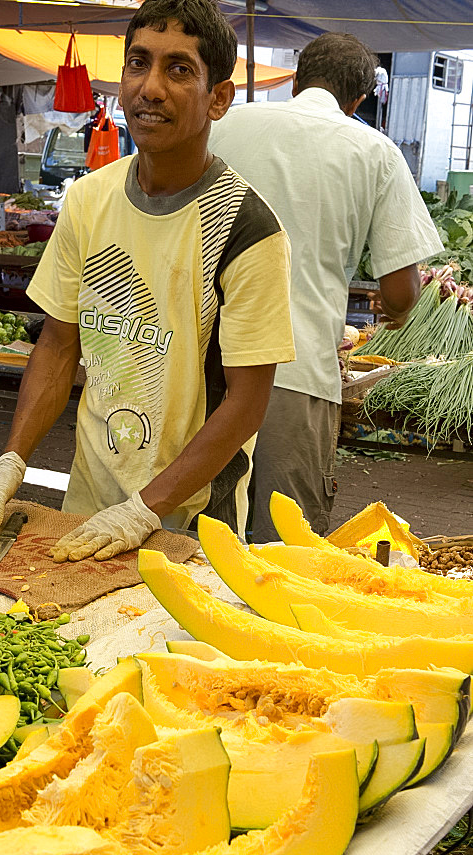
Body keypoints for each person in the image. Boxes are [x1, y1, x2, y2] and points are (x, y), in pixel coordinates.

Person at [0, 0, 295, 561]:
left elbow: (247, 403)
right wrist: (11, 459)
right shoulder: (89, 200)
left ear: (219, 98)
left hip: (188, 523)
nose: (150, 88)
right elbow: (58, 343)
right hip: (87, 507)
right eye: (138, 64)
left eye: (179, 69)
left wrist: (145, 509)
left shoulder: (247, 228)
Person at [208, 33, 443, 542]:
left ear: (295, 79)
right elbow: (401, 293)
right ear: (359, 99)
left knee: (191, 534)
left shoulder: (225, 123)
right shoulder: (375, 152)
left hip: (200, 362)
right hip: (295, 372)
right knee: (282, 551)